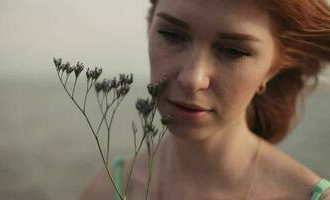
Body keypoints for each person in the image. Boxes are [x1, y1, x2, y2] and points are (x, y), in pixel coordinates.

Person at [82, 0, 330, 199]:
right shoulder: (110, 188)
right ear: (149, 27)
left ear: (273, 67)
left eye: (234, 51)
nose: (192, 78)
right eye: (171, 35)